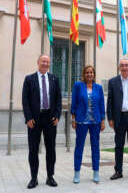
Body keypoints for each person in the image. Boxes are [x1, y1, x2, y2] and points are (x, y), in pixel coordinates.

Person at [22, 55, 62, 189]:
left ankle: (50, 177)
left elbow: (58, 99)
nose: (45, 63)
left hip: (50, 119)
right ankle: (33, 178)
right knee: (33, 149)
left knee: (51, 149)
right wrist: (28, 118)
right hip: (34, 119)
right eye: (43, 61)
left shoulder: (54, 79)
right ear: (38, 62)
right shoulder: (29, 79)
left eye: (47, 62)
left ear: (49, 64)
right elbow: (25, 100)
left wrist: (57, 115)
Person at [71, 65, 106, 184]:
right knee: (79, 147)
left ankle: (96, 172)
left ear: (94, 75)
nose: (89, 74)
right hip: (81, 121)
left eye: (91, 72)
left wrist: (102, 120)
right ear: (84, 74)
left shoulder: (98, 88)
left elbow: (101, 104)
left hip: (95, 122)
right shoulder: (78, 86)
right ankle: (76, 173)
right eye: (87, 72)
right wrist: (73, 118)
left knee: (95, 147)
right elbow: (74, 102)